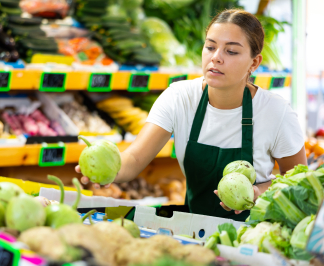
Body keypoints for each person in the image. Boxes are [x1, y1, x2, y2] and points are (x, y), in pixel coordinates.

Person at [76, 9, 307, 221]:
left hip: (254, 236)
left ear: (254, 63)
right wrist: (106, 171)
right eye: (210, 46)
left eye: (232, 51)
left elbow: (296, 184)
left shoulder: (276, 112)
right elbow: (135, 159)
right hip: (194, 230)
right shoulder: (180, 98)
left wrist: (256, 192)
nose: (216, 57)